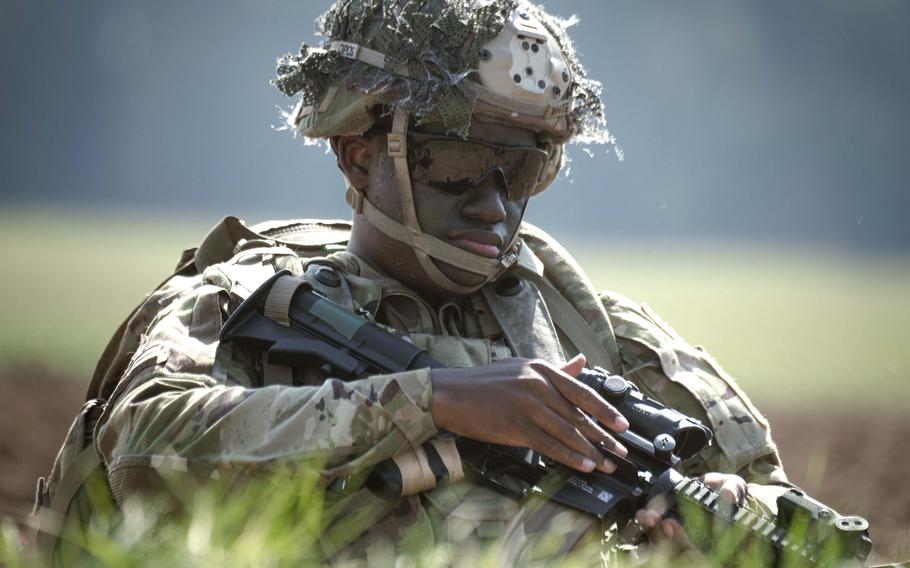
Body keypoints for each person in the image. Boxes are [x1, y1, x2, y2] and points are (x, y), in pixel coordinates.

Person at [35, 0, 792, 563]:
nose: (493, 202)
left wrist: (730, 510)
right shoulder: (249, 300)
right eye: (459, 160)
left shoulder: (585, 325)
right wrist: (435, 403)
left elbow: (784, 509)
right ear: (359, 154)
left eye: (522, 166)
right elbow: (140, 444)